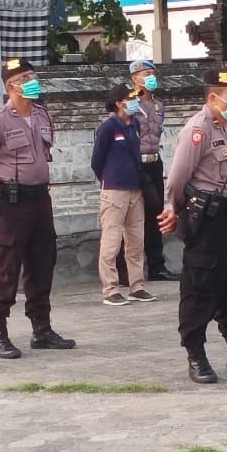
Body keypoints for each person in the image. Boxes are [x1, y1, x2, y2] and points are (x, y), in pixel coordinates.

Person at [158, 69, 227, 384]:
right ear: (213, 98)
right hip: (205, 218)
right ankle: (196, 354)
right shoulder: (198, 129)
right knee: (200, 284)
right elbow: (179, 176)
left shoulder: (221, 126)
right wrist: (173, 207)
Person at [0, 57, 77, 358]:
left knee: (43, 263)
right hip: (10, 203)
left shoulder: (43, 116)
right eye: (26, 77)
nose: (33, 81)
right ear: (11, 86)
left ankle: (41, 329)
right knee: (5, 268)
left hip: (40, 200)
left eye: (33, 75)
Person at [91, 83, 157, 306]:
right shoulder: (108, 127)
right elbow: (97, 161)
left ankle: (136, 285)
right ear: (119, 103)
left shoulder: (134, 124)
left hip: (135, 189)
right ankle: (110, 288)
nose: (135, 102)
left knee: (136, 240)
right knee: (112, 241)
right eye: (130, 99)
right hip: (114, 191)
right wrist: (109, 178)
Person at [122, 60, 179, 281]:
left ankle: (157, 266)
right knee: (131, 215)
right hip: (135, 163)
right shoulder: (130, 103)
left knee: (156, 213)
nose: (151, 78)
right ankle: (127, 269)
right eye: (146, 74)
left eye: (153, 73)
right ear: (135, 78)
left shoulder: (157, 104)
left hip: (154, 163)